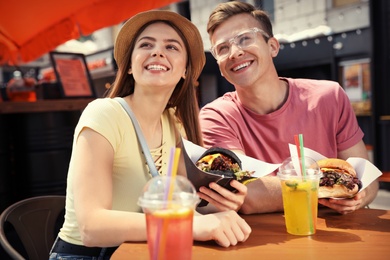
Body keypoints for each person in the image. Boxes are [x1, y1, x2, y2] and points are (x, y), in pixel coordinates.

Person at [49, 10, 251, 259]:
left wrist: (221, 204)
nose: (157, 52)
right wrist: (189, 226)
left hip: (146, 249)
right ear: (130, 66)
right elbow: (91, 227)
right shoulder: (103, 114)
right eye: (146, 44)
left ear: (185, 71)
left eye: (172, 47)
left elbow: (177, 207)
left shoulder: (174, 123)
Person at [198, 1, 379, 215]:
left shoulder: (329, 96)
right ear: (218, 64)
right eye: (222, 48)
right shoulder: (215, 116)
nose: (235, 52)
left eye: (245, 38)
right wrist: (329, 186)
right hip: (262, 242)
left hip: (339, 235)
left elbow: (366, 180)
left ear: (273, 46)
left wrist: (357, 196)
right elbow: (244, 192)